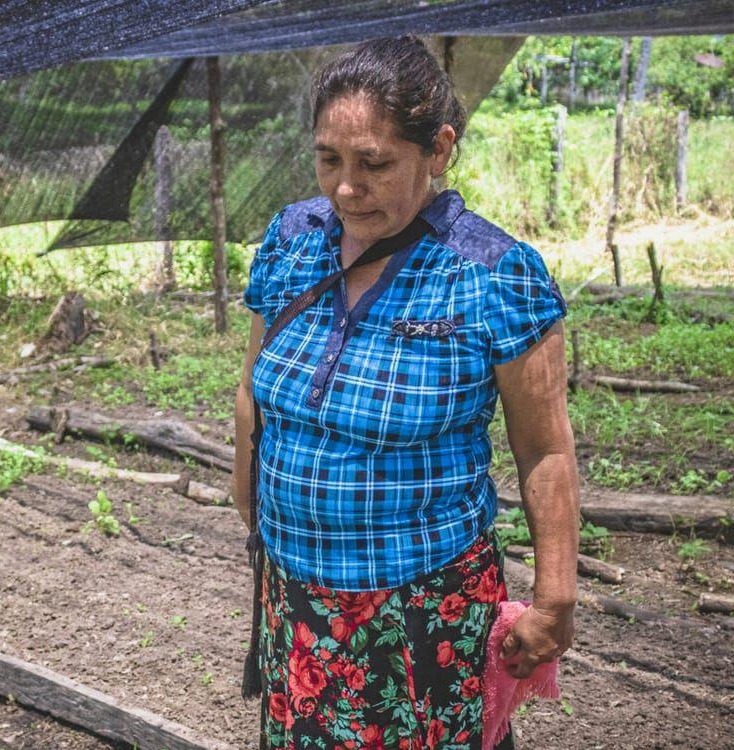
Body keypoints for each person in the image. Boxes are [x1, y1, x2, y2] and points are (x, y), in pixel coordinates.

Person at [232, 36, 580, 749]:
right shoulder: (293, 241)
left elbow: (544, 450)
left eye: (374, 164)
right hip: (294, 594)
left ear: (439, 150)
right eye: (329, 159)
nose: (345, 188)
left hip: (419, 609)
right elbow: (253, 389)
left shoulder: (494, 277)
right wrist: (257, 517)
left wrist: (556, 599)